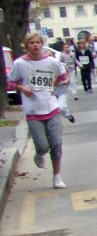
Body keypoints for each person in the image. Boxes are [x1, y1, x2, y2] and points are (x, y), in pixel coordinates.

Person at [7, 33, 69, 188]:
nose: (35, 45)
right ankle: (40, 153)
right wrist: (22, 88)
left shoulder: (51, 62)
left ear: (42, 45)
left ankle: (57, 176)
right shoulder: (20, 64)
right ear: (26, 46)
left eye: (38, 42)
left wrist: (53, 84)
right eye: (32, 43)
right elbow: (10, 83)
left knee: (56, 144)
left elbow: (63, 75)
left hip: (51, 107)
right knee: (42, 145)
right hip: (33, 110)